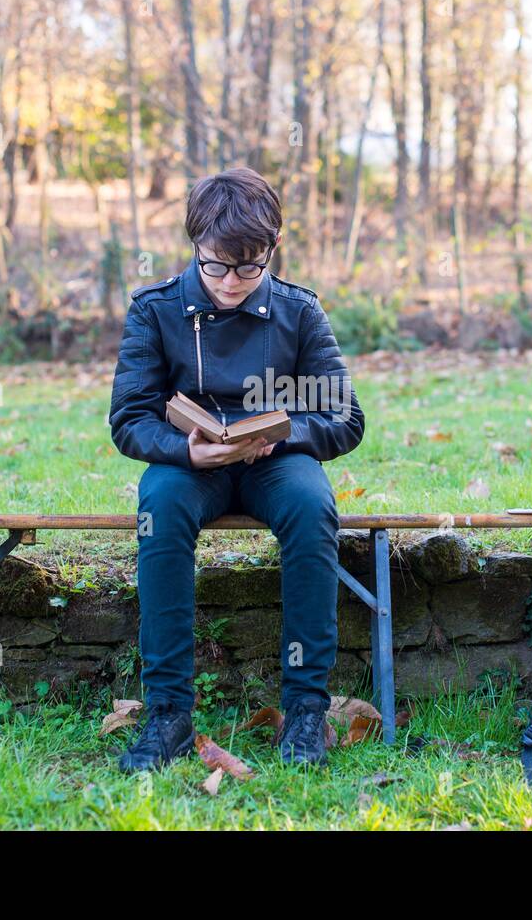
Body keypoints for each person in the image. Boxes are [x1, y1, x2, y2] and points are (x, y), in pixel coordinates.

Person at [108, 166, 365, 770]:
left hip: (275, 462)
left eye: (249, 267)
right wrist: (185, 450)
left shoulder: (299, 312)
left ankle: (305, 712)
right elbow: (129, 419)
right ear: (195, 247)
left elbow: (345, 417)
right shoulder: (156, 309)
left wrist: (286, 433)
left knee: (311, 507)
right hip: (191, 463)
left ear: (272, 250)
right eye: (216, 265)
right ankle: (168, 714)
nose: (230, 282)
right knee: (161, 509)